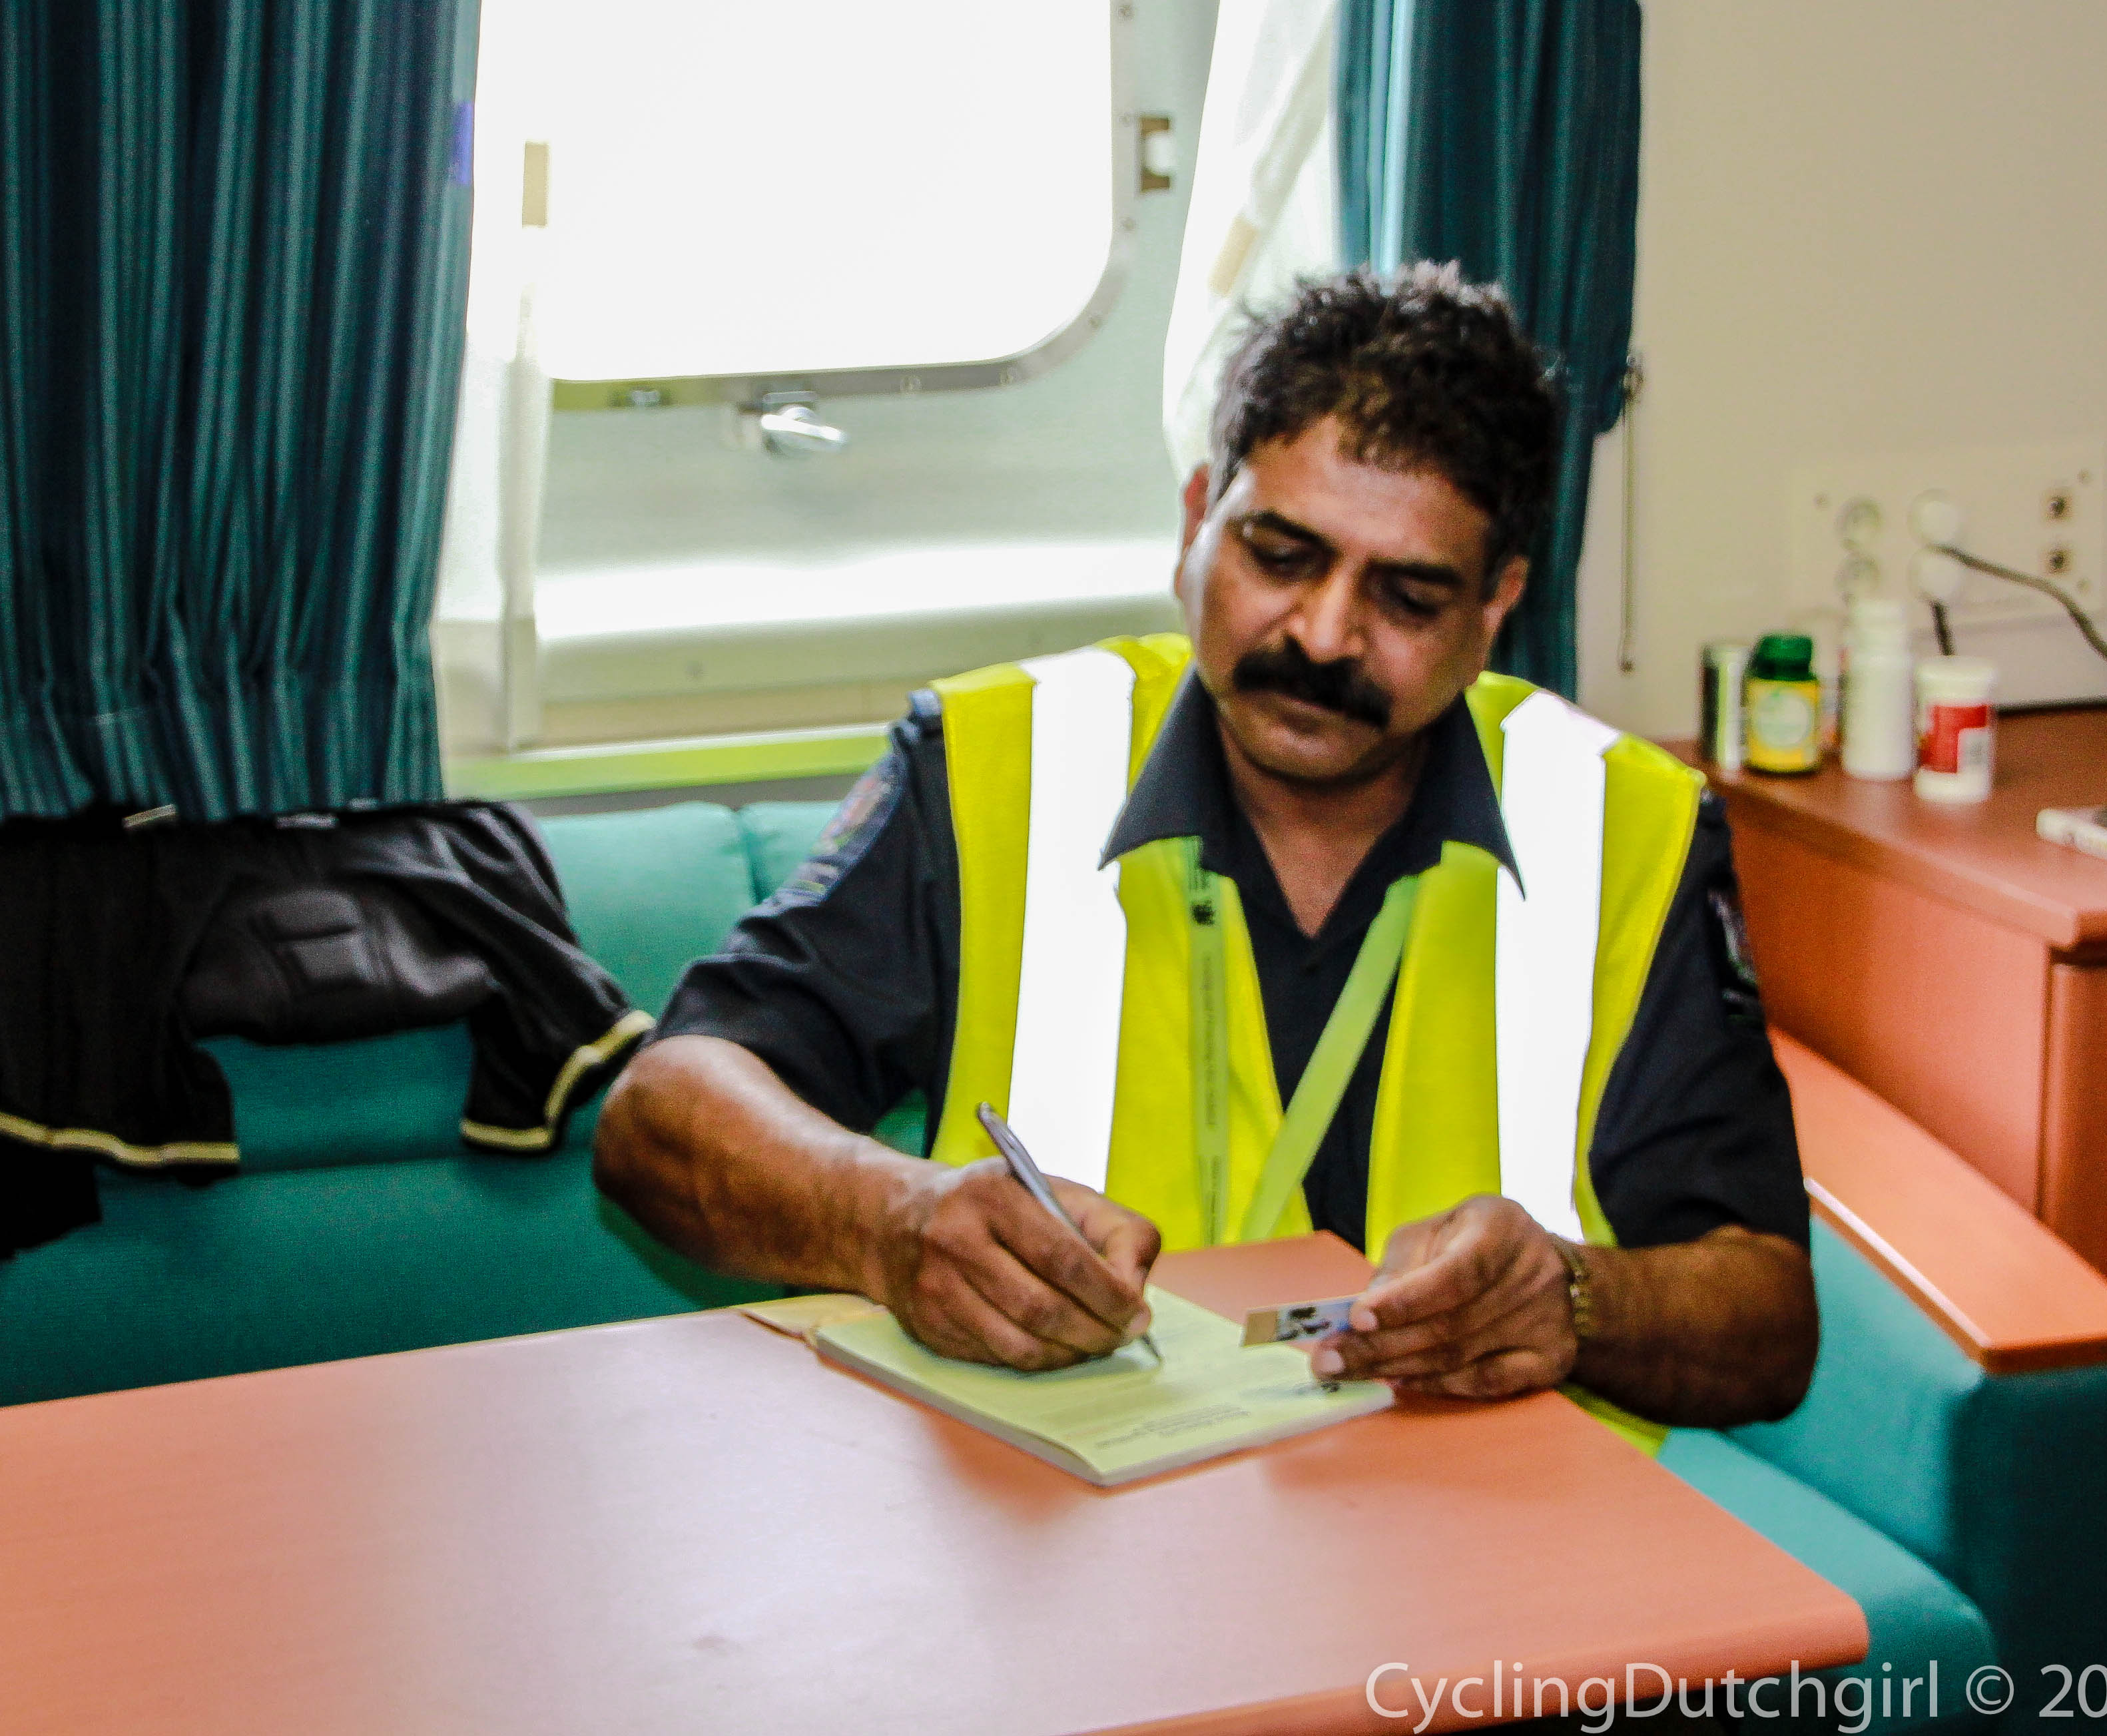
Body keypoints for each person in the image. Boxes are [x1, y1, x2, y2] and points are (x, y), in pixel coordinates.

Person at [596, 264, 1817, 1435]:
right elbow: (662, 1112)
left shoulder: (1627, 824)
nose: (1324, 636)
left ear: (1498, 601)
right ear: (1196, 519)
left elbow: (1767, 1320)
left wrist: (1576, 1298)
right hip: (1066, 1522)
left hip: (1482, 1537)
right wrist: (891, 1221)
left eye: (1407, 597)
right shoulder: (994, 763)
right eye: (1280, 557)